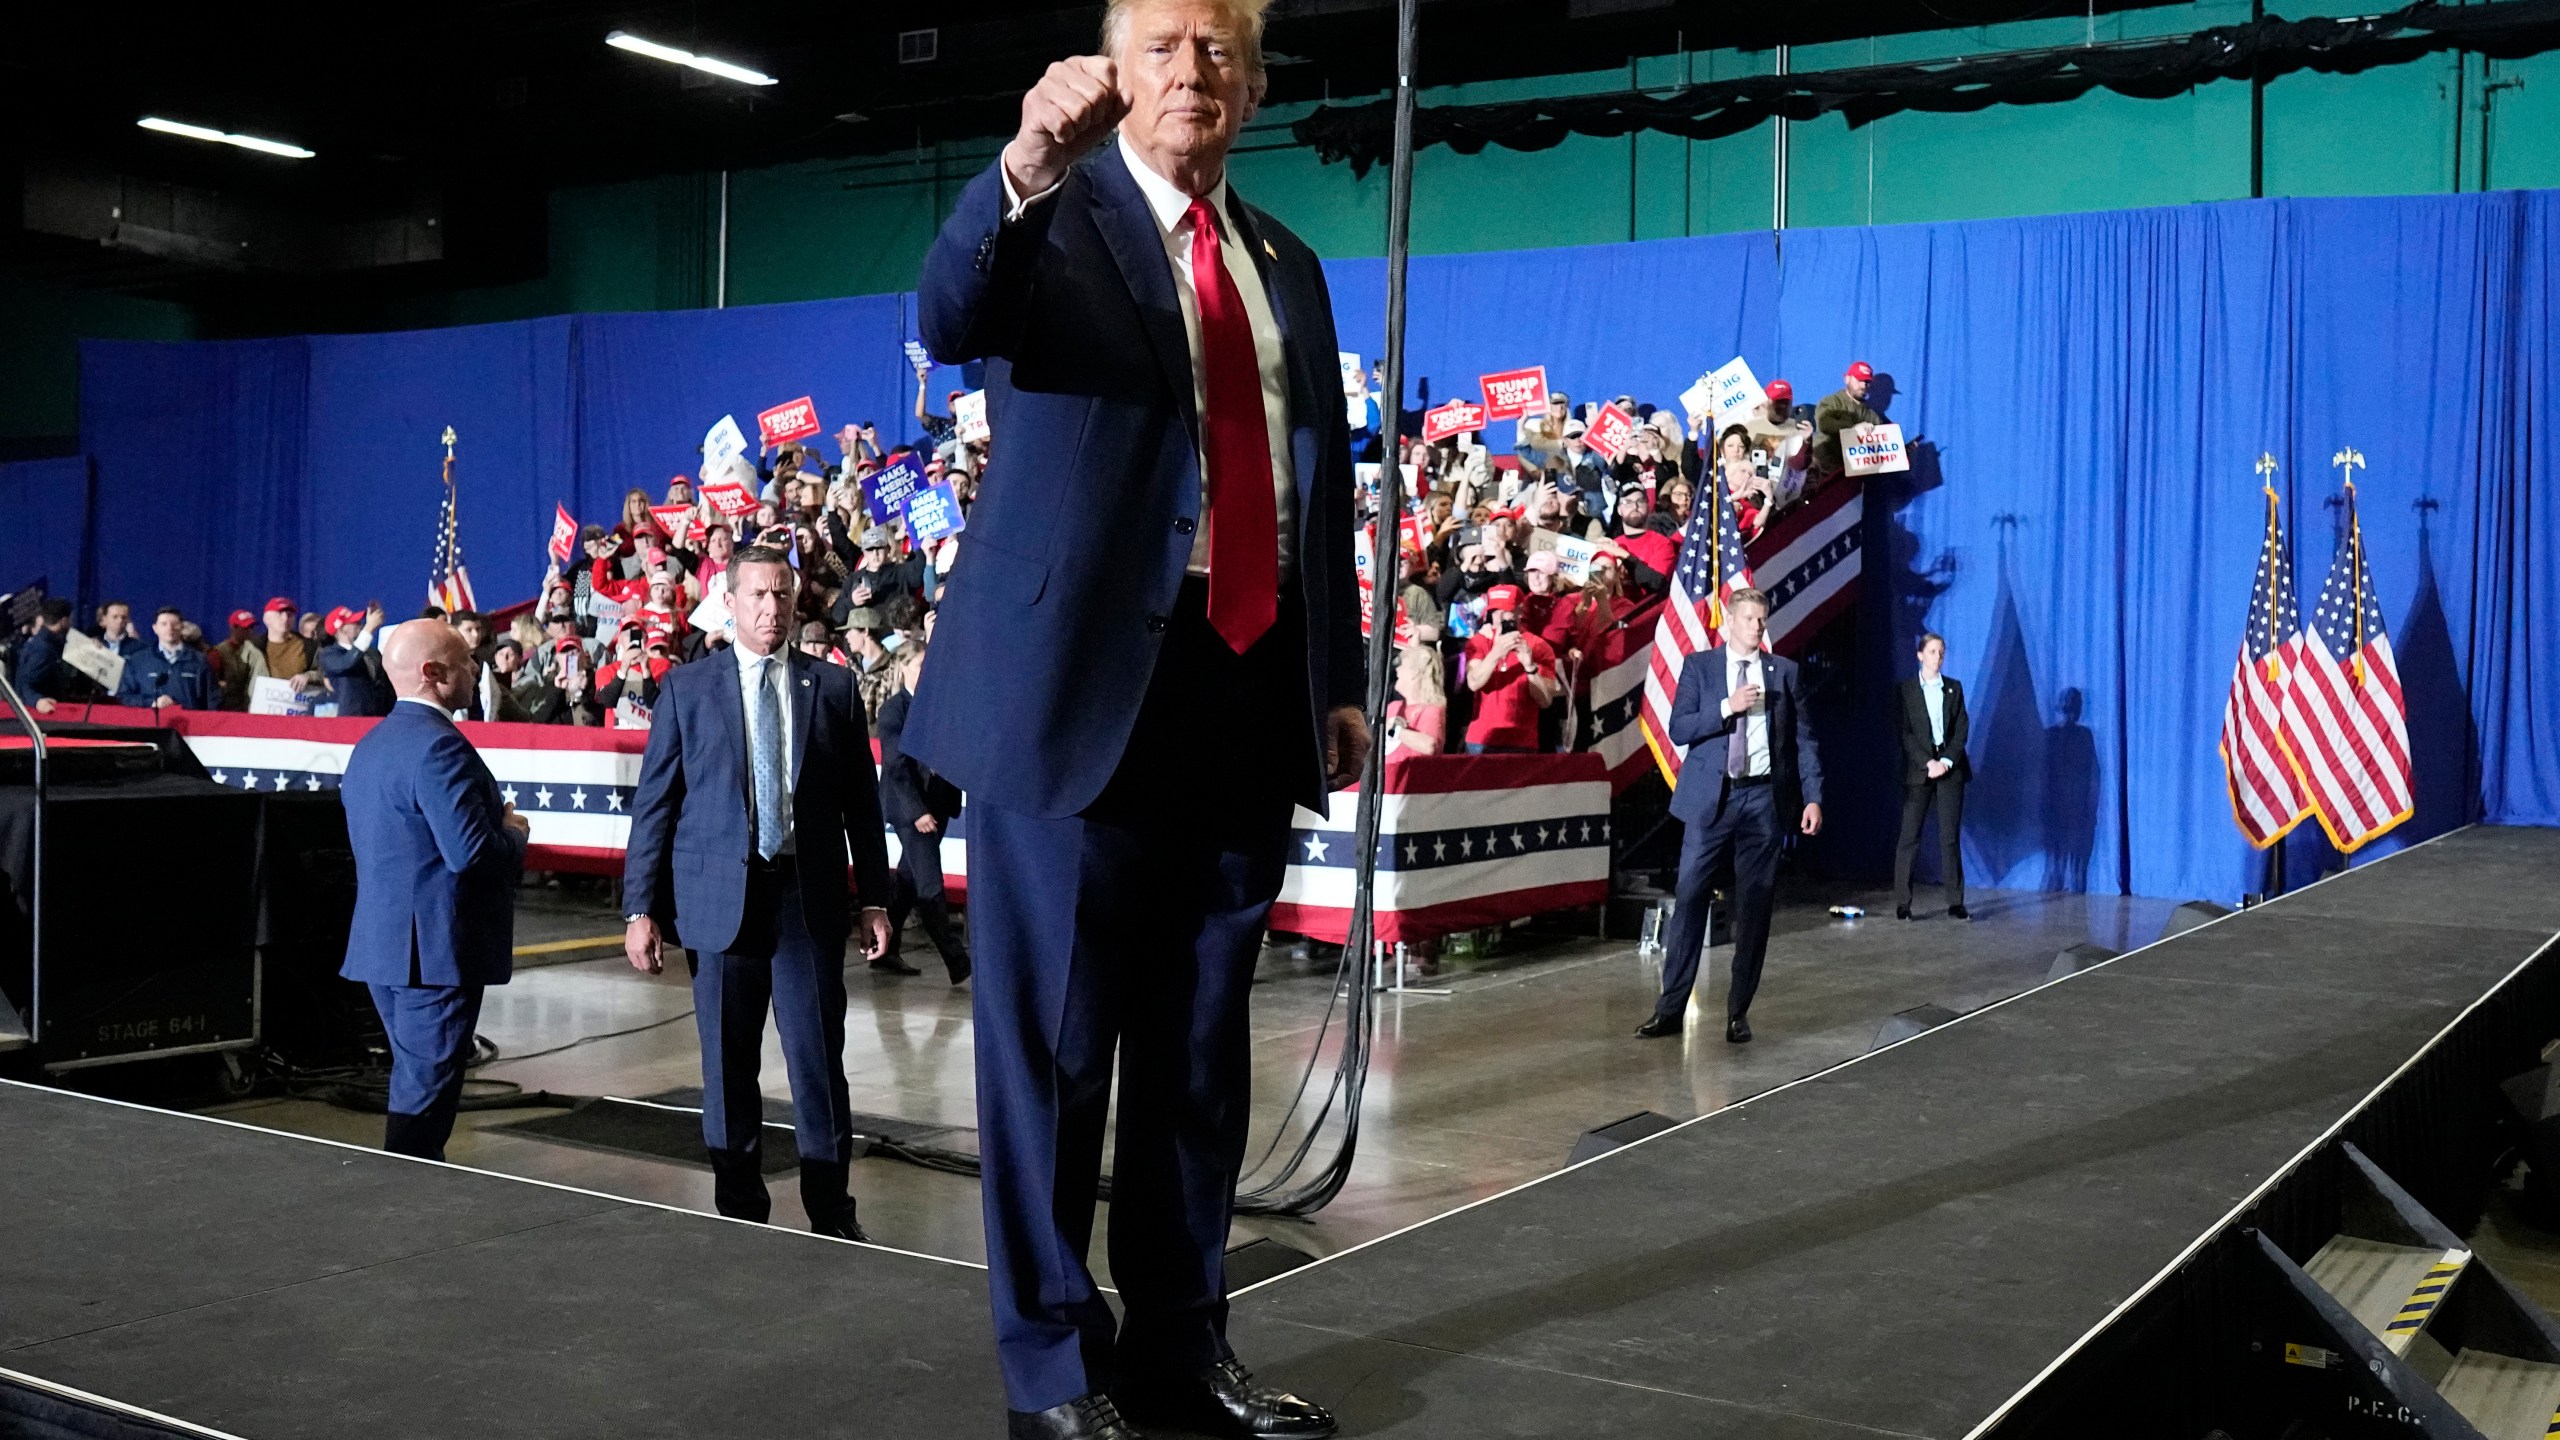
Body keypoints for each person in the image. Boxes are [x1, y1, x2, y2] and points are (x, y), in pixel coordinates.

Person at [914, 2, 1360, 1432]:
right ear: (1114, 66)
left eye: (1224, 46)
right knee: (1052, 1051)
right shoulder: (1058, 212)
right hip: (1070, 704)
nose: (1196, 70)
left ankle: (1181, 1344)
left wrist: (1335, 677)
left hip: (1241, 686)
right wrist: (1027, 161)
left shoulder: (1286, 261)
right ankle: (1051, 1369)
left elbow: (1318, 490)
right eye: (1166, 42)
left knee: (1199, 1050)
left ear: (1260, 80)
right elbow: (951, 315)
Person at [622, 546, 897, 1243]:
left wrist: (876, 898)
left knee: (817, 1061)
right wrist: (640, 908)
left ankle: (832, 1209)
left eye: (782, 594)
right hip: (719, 907)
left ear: (795, 598)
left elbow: (862, 807)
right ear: (731, 599)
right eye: (757, 596)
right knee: (728, 1064)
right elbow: (655, 807)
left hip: (807, 902)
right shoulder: (687, 689)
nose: (771, 608)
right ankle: (740, 1207)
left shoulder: (830, 690)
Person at [337, 620, 531, 1160]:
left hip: (384, 947)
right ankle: (408, 1210)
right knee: (424, 1101)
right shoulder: (441, 748)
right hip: (433, 957)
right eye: (466, 659)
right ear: (432, 673)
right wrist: (514, 837)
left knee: (414, 1080)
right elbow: (470, 854)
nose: (475, 668)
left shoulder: (371, 744)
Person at [1636, 588, 1822, 1045]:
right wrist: (1726, 707)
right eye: (1748, 619)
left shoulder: (1785, 674)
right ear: (1729, 622)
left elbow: (1805, 742)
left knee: (1755, 907)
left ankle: (1738, 1012)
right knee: (1690, 896)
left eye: (1762, 620)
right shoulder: (1700, 667)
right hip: (1710, 800)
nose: (1757, 627)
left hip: (1761, 800)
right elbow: (1679, 727)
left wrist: (1813, 797)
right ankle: (1670, 1010)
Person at [874, 644, 971, 983]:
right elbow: (897, 767)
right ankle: (958, 962)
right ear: (903, 667)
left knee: (909, 880)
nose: (926, 669)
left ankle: (884, 949)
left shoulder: (940, 706)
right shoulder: (893, 711)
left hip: (939, 806)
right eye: (919, 664)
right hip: (912, 810)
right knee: (930, 886)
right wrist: (917, 811)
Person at [1894, 631, 1971, 921]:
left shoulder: (1954, 688)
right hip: (1920, 771)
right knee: (1909, 837)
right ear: (1920, 655)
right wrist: (1928, 762)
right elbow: (1905, 734)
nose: (1937, 658)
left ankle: (1955, 902)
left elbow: (1961, 728)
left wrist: (1947, 761)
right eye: (1932, 652)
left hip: (1950, 770)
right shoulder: (1906, 690)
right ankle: (1903, 903)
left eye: (1941, 652)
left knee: (1949, 837)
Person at [1461, 584, 1557, 755]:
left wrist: (1529, 666)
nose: (1500, 617)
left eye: (1506, 610)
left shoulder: (1538, 646)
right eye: (1495, 610)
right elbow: (1473, 683)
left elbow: (1545, 701)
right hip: (1482, 738)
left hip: (1522, 740)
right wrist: (1495, 653)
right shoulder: (1479, 643)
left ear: (1520, 611)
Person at [116, 606, 216, 711]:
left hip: (190, 724)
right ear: (155, 628)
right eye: (164, 624)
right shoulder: (138, 660)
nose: (170, 628)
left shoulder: (199, 660)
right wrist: (152, 702)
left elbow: (212, 699)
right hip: (150, 724)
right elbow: (125, 696)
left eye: (175, 624)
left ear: (181, 627)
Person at [1809, 361, 1882, 488]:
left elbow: (1883, 446)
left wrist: (1902, 451)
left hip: (1848, 477)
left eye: (1867, 381)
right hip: (1823, 469)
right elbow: (1824, 424)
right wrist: (1854, 428)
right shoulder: (1832, 402)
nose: (1863, 385)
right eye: (1859, 380)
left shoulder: (1872, 416)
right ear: (1847, 379)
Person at [321, 605, 393, 718]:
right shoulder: (329, 654)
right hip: (352, 716)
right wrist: (368, 629)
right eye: (354, 622)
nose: (360, 624)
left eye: (359, 621)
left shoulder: (371, 653)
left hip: (377, 714)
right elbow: (346, 664)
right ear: (341, 629)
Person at [13, 598, 76, 713]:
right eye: (70, 620)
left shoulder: (46, 643)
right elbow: (25, 683)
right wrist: (37, 701)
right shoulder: (43, 650)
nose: (72, 624)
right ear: (64, 621)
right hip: (43, 717)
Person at [213, 609, 269, 711]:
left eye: (252, 627)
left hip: (246, 706)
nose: (250, 631)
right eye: (245, 628)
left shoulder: (255, 652)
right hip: (225, 707)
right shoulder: (218, 652)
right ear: (233, 628)